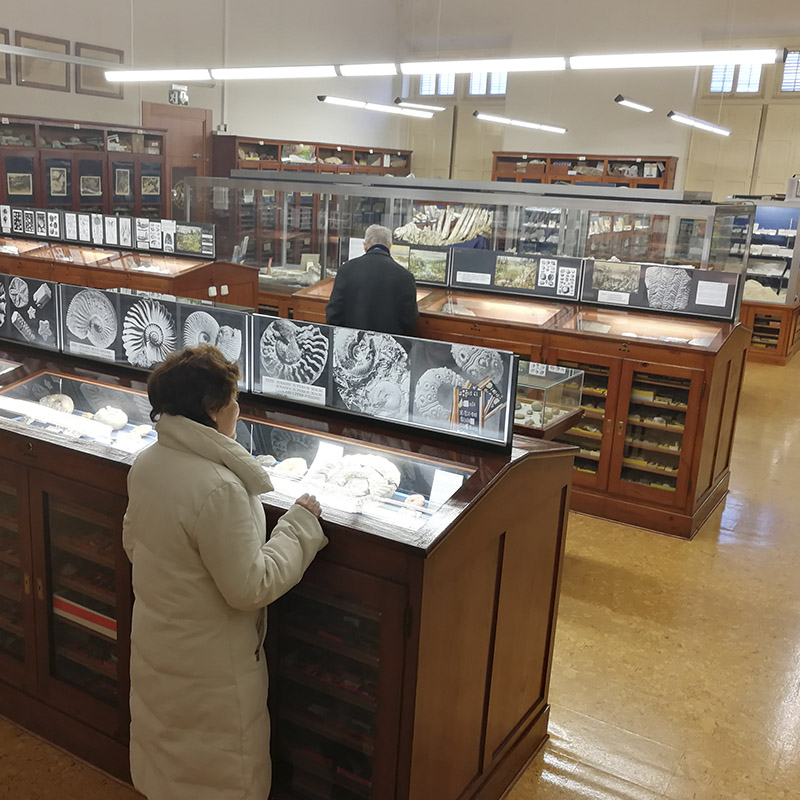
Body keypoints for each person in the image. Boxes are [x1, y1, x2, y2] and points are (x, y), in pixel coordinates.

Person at [122, 345, 327, 800]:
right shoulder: (219, 488)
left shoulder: (147, 464)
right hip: (213, 671)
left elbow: (132, 543)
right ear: (213, 410)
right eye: (233, 401)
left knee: (168, 760)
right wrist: (299, 526)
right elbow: (250, 586)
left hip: (161, 651)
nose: (238, 409)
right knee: (216, 775)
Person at [326, 223, 419, 335]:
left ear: (365, 246)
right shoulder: (405, 276)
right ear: (390, 246)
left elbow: (333, 314)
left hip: (351, 343)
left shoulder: (346, 270)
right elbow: (409, 320)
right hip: (388, 347)